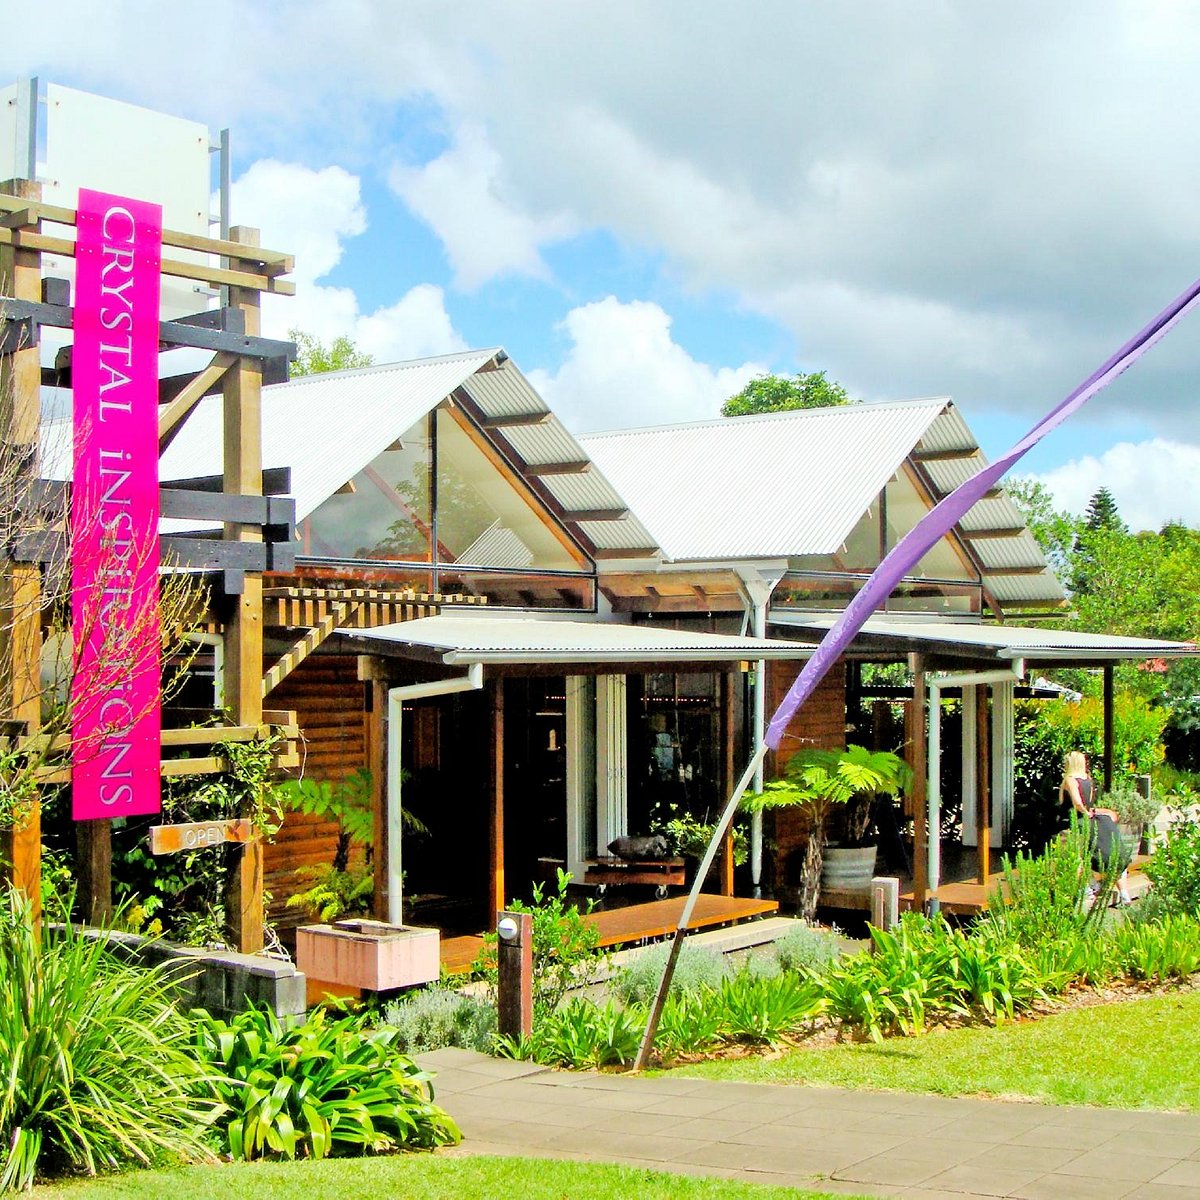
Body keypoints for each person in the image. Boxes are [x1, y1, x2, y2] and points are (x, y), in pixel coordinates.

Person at [1060, 751, 1133, 906]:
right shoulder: (1088, 780)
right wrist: (1091, 813)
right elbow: (1090, 800)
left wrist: (1084, 812)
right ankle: (1102, 887)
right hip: (1091, 821)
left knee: (1076, 857)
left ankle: (1086, 888)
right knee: (1092, 853)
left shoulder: (1070, 780)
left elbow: (1077, 802)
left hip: (1076, 822)